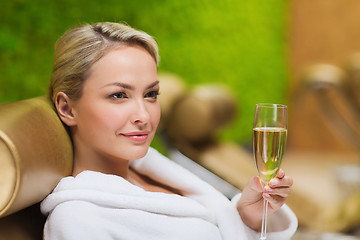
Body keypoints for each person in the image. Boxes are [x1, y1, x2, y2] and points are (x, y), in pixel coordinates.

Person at [41, 22, 297, 240]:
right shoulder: (77, 218)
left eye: (151, 94)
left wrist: (247, 219)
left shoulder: (155, 173)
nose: (143, 116)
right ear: (67, 108)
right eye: (119, 95)